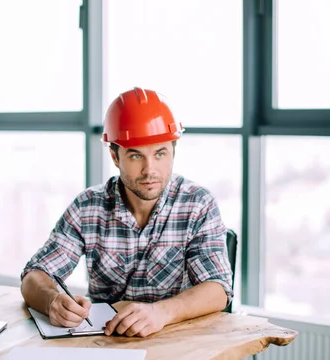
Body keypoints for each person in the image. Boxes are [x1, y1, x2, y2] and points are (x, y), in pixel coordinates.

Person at [21, 87, 233, 338]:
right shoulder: (88, 207)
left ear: (173, 151)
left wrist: (161, 312)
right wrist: (52, 301)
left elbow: (218, 289)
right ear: (115, 156)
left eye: (160, 153)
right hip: (104, 342)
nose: (149, 170)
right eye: (135, 156)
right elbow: (34, 276)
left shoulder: (198, 204)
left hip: (174, 338)